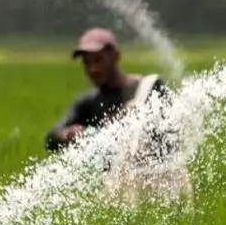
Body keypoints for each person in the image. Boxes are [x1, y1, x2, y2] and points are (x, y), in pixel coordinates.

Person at [44, 27, 172, 155]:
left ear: (115, 57)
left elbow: (171, 134)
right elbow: (51, 139)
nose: (92, 69)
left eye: (98, 60)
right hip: (117, 173)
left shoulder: (149, 88)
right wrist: (68, 134)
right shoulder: (89, 102)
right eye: (87, 63)